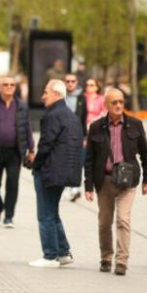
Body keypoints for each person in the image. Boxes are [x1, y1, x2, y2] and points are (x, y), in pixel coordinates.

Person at [85, 88, 147, 276]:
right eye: (114, 102)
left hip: (127, 181)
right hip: (104, 180)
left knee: (123, 220)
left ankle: (122, 261)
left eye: (121, 102)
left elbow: (146, 154)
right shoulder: (96, 127)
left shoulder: (135, 125)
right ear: (106, 104)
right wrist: (88, 186)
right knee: (104, 222)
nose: (118, 105)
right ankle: (106, 257)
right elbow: (89, 158)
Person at [29, 79, 83, 268]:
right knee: (53, 213)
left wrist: (35, 165)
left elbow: (45, 145)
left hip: (50, 172)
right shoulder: (71, 115)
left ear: (57, 94)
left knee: (45, 215)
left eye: (46, 92)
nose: (43, 96)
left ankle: (50, 256)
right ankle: (63, 252)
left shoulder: (53, 115)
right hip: (64, 173)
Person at [0, 75, 35, 227]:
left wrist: (32, 149)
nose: (9, 87)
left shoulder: (22, 105)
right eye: (5, 84)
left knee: (12, 184)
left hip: (15, 151)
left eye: (12, 85)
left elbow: (27, 127)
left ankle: (9, 216)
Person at [64, 73, 88, 201]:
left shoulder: (81, 98)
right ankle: (67, 185)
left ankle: (76, 186)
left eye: (72, 81)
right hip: (63, 134)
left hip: (77, 133)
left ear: (76, 82)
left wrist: (84, 136)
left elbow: (84, 117)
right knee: (65, 160)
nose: (70, 83)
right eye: (67, 81)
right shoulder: (61, 97)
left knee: (78, 161)